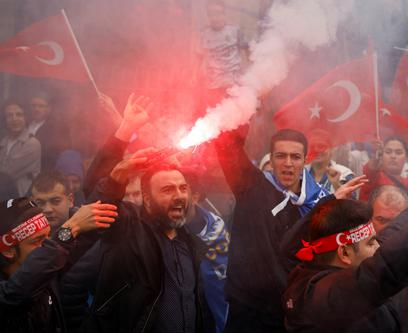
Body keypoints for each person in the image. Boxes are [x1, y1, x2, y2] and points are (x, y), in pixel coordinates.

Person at [282, 148, 408, 332]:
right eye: (371, 243)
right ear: (345, 253)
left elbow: (396, 230)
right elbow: (388, 266)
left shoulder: (323, 269)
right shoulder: (325, 296)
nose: (380, 246)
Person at [215, 125, 330, 332]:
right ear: (271, 158)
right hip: (248, 311)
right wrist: (246, 102)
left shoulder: (320, 202)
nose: (288, 164)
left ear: (306, 160)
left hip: (292, 313)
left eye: (295, 157)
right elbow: (227, 145)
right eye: (280, 156)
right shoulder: (251, 186)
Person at [82, 155, 213, 332]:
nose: (179, 196)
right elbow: (99, 207)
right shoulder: (128, 231)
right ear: (147, 199)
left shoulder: (192, 244)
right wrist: (119, 173)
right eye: (168, 190)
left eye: (183, 188)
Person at [0, 197, 117, 332]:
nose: (46, 246)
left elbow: (87, 230)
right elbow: (16, 293)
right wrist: (69, 228)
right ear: (8, 250)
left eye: (48, 236)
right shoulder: (9, 292)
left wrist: (113, 184)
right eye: (37, 241)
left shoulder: (48, 271)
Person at [196, 0, 246, 101]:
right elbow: (199, 58)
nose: (215, 18)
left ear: (224, 14)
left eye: (218, 13)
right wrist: (198, 78)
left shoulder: (235, 32)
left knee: (237, 115)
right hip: (213, 87)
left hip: (234, 85)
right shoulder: (203, 34)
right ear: (208, 16)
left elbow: (248, 51)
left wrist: (248, 76)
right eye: (211, 14)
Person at [0, 102, 41, 197]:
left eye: (19, 114)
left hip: (21, 198)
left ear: (25, 118)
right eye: (9, 115)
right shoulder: (3, 141)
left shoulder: (32, 143)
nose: (14, 119)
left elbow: (7, 172)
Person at [27, 92, 71, 170]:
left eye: (41, 106)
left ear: (49, 109)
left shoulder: (57, 128)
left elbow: (57, 154)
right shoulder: (25, 125)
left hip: (45, 172)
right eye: (34, 106)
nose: (36, 109)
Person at [359, 137, 408, 201]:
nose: (393, 156)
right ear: (381, 155)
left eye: (398, 153)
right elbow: (371, 170)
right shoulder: (374, 177)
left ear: (406, 158)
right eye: (388, 152)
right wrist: (376, 154)